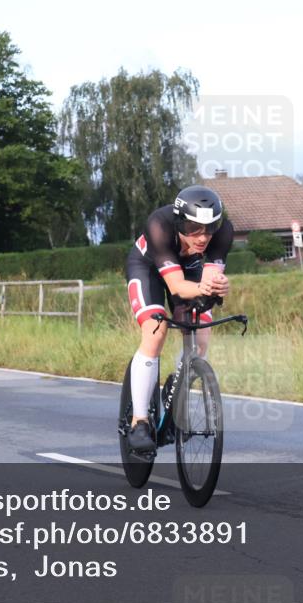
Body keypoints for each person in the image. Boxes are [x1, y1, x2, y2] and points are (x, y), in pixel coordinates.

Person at [124, 185, 234, 451]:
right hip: (149, 267)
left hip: (190, 272)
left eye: (209, 229)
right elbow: (176, 287)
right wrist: (204, 288)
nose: (203, 237)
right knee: (155, 328)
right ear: (181, 222)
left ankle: (178, 383)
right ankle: (140, 421)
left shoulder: (224, 232)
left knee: (201, 334)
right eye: (195, 229)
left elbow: (208, 279)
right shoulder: (159, 225)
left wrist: (218, 285)